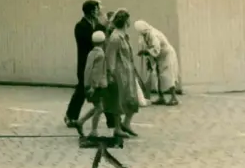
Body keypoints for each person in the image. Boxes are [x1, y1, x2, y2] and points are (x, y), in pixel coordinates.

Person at [64, 0, 105, 128]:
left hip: (95, 61)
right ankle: (71, 116)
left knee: (100, 91)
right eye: (96, 9)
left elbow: (103, 34)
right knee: (81, 90)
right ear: (91, 11)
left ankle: (111, 120)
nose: (98, 12)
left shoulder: (96, 24)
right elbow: (92, 39)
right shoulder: (80, 26)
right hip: (85, 63)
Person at [104, 9, 140, 138]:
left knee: (132, 99)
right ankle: (118, 128)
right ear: (125, 21)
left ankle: (126, 123)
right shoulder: (115, 37)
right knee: (119, 100)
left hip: (128, 71)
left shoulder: (124, 36)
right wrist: (111, 73)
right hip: (119, 73)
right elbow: (110, 57)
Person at [134, 20, 180, 106]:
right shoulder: (145, 35)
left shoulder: (153, 34)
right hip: (159, 56)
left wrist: (146, 52)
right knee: (158, 75)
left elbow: (156, 49)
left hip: (167, 55)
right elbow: (150, 48)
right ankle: (161, 97)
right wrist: (148, 58)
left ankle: (174, 97)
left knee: (168, 75)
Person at [74, 30, 107, 137]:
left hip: (88, 84)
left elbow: (88, 69)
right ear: (103, 41)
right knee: (100, 108)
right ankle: (93, 130)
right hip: (96, 86)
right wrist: (94, 86)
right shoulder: (101, 54)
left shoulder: (91, 53)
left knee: (98, 107)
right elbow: (96, 72)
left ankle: (81, 121)